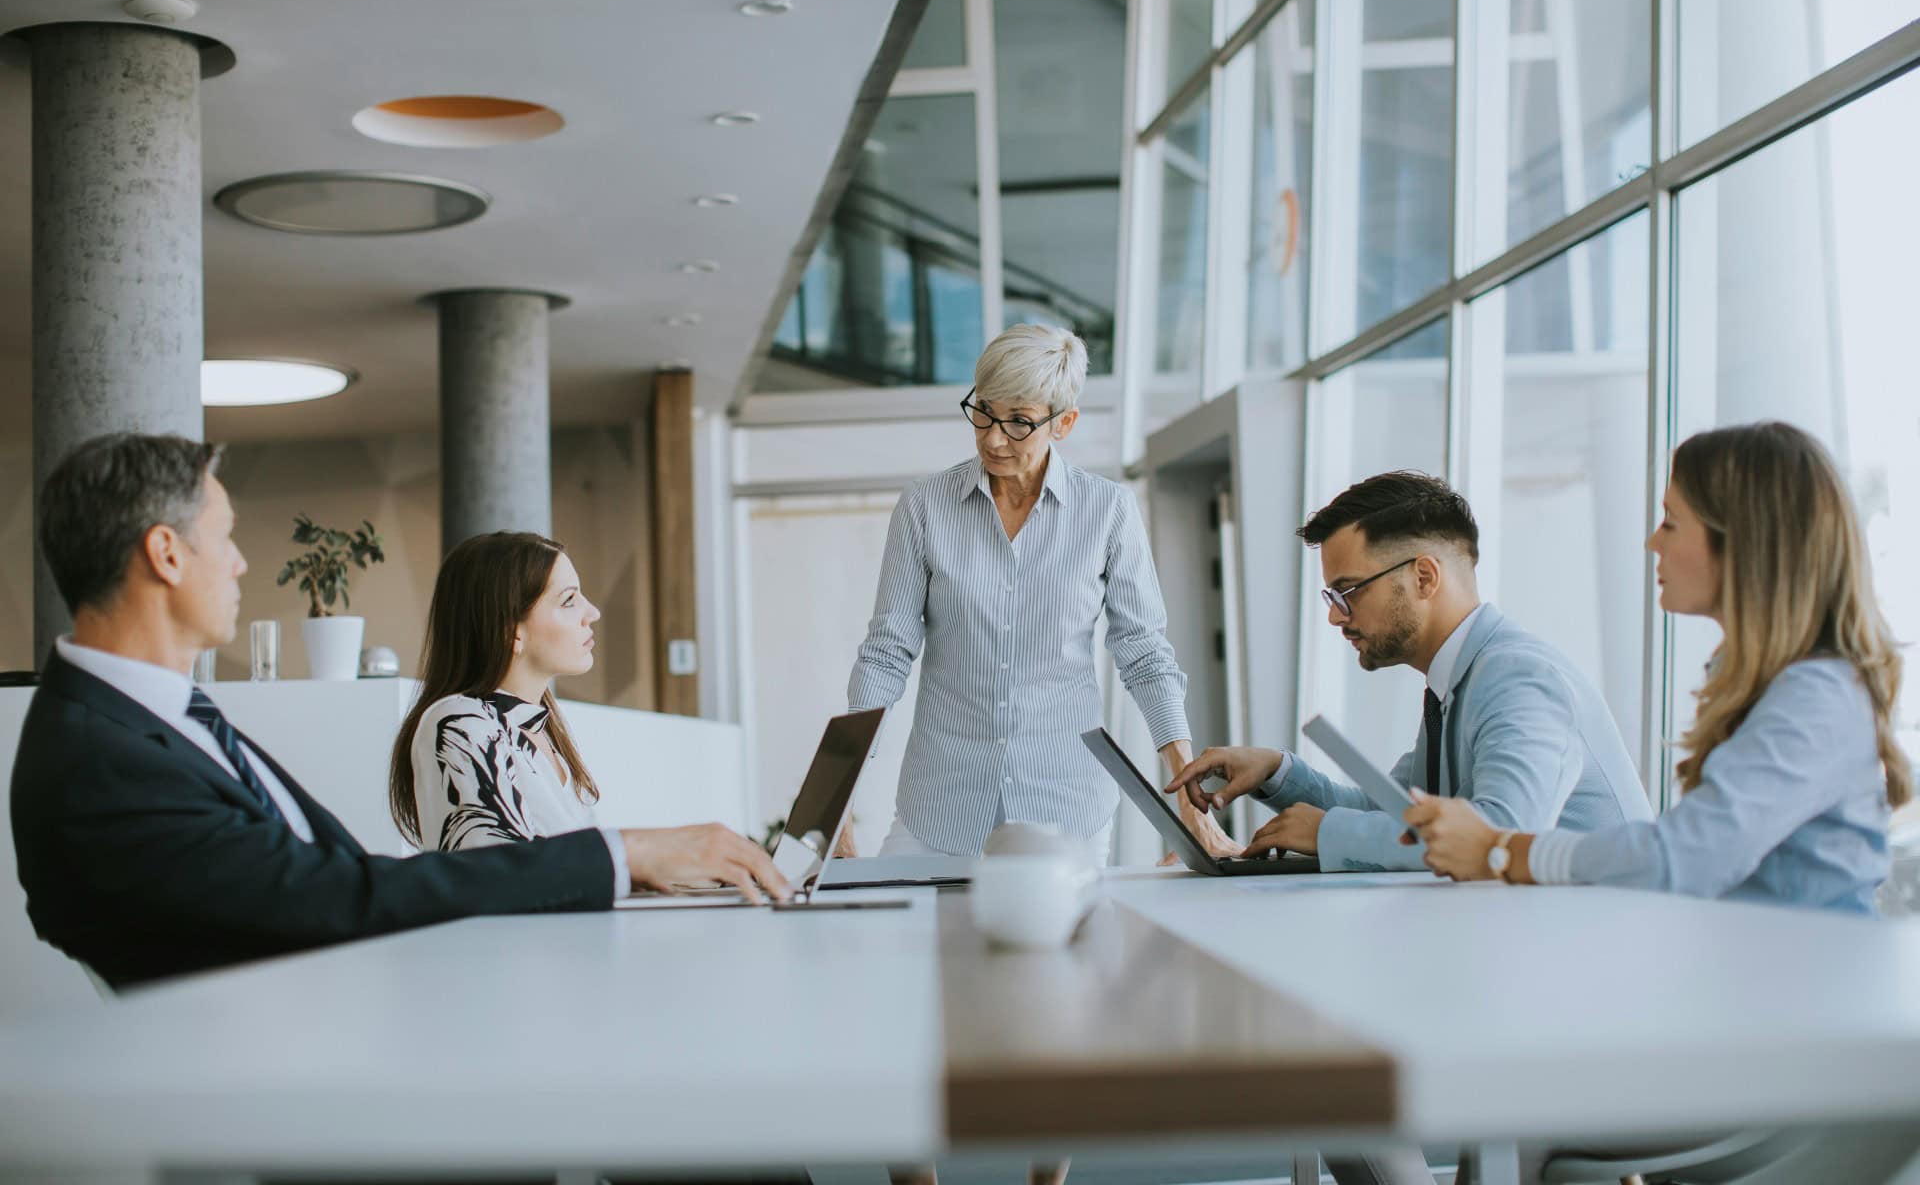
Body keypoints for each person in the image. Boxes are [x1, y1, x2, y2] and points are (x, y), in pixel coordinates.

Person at [11, 433, 789, 991]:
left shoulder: (156, 722)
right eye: (226, 537)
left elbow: (330, 882)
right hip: (336, 1077)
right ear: (166, 554)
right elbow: (329, 899)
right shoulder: (97, 761)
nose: (243, 561)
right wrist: (626, 853)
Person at [1409, 421, 1909, 913]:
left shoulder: (1817, 696)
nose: (1653, 543)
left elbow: (1685, 854)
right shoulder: (1757, 681)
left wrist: (1503, 852)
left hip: (1807, 985)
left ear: (1742, 542)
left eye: (1670, 522)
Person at [848, 323, 1230, 866]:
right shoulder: (924, 507)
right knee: (908, 949)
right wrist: (838, 798)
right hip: (941, 802)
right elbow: (887, 653)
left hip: (1065, 801)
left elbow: (1145, 655)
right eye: (982, 411)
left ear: (1064, 422)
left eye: (1019, 422)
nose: (992, 438)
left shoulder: (1108, 512)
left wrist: (1191, 806)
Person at [1168, 470, 1651, 873]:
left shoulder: (1519, 678)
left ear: (1424, 577)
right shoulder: (1457, 685)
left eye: (1348, 591)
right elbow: (1393, 815)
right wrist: (1275, 772)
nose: (1336, 616)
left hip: (1592, 958)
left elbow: (1499, 833)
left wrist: (1330, 832)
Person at [390, 531, 609, 852]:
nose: (592, 613)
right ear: (510, 630)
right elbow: (501, 876)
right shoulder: (460, 722)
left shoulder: (537, 731)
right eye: (569, 600)